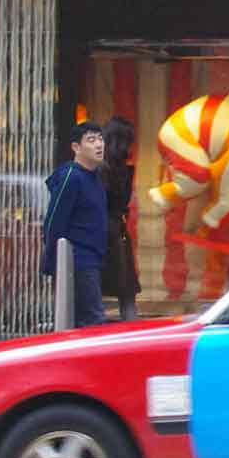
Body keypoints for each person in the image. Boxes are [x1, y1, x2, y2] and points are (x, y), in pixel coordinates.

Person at [41, 121, 109, 328]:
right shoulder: (71, 177)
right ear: (76, 147)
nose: (99, 144)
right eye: (91, 140)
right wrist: (54, 262)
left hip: (92, 261)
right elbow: (54, 221)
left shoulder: (95, 178)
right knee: (92, 322)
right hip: (78, 262)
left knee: (83, 323)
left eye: (100, 139)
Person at [99, 116, 142, 322]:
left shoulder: (104, 168)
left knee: (101, 292)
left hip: (106, 232)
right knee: (125, 292)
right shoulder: (112, 170)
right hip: (112, 232)